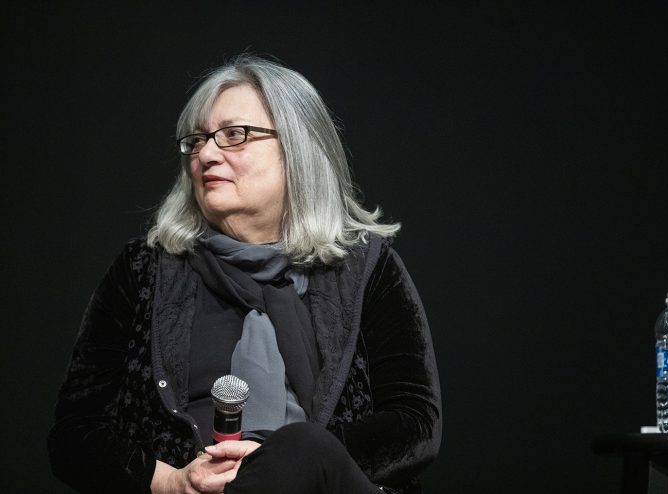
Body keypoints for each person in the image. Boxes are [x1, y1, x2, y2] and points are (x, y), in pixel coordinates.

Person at [48, 53, 442, 494]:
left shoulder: (366, 266)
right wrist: (174, 482)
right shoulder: (143, 270)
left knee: (304, 447)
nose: (206, 154)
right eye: (196, 141)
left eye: (234, 135)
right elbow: (74, 437)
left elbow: (415, 425)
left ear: (297, 148)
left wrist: (284, 462)